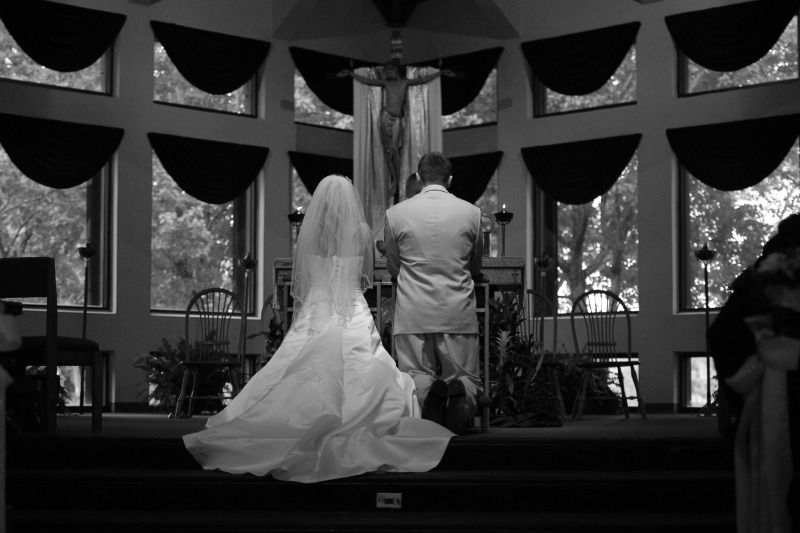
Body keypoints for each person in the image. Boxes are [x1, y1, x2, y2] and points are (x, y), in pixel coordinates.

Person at [183, 175, 453, 483]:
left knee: (291, 365)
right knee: (367, 364)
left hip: (317, 305)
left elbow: (308, 278)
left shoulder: (311, 235)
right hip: (350, 306)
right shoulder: (362, 231)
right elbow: (366, 273)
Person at [709, 213, 800, 533]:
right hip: (776, 391)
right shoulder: (763, 279)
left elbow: (722, 335)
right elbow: (724, 334)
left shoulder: (761, 277)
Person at [383, 152, 483, 435]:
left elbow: (393, 267)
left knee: (415, 376)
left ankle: (429, 408)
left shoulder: (396, 214)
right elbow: (475, 267)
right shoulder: (472, 213)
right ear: (450, 180)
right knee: (464, 376)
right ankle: (459, 397)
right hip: (457, 310)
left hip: (413, 311)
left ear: (418, 178)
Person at [338, 62, 453, 200]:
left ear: (396, 70)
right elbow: (369, 81)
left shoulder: (404, 83)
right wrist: (352, 74)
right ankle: (394, 180)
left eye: (390, 70)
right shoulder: (386, 83)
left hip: (397, 119)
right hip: (385, 117)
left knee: (395, 150)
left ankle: (397, 181)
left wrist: (440, 73)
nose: (388, 73)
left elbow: (422, 80)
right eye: (386, 71)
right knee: (388, 150)